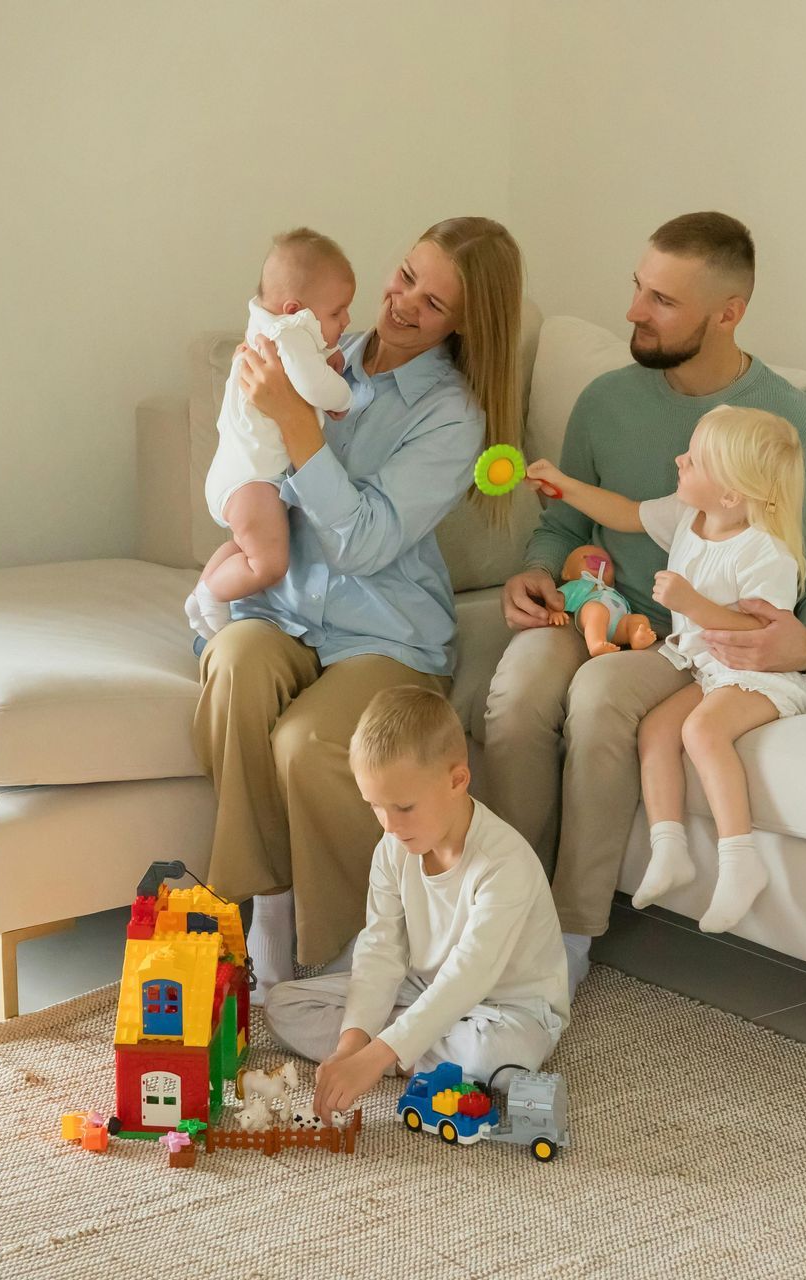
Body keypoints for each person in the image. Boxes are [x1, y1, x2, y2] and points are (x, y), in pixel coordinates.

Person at [480, 211, 806, 986]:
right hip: (594, 604)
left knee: (599, 702)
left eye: (662, 300)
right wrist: (536, 567)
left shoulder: (789, 425)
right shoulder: (604, 400)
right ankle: (500, 909)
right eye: (637, 288)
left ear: (729, 313)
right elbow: (565, 522)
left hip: (693, 637)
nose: (633, 312)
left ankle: (570, 934)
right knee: (516, 695)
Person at [193, 217, 525, 989]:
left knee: (309, 744)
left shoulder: (452, 415)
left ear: (466, 324)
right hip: (282, 609)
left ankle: (349, 953)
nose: (404, 304)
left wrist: (300, 428)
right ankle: (264, 914)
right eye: (408, 275)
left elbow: (367, 543)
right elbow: (255, 475)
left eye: (435, 303)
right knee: (234, 665)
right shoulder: (322, 351)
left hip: (384, 633)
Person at [525, 406, 806, 933]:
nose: (679, 459)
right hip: (707, 668)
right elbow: (624, 512)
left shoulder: (764, 553)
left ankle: (739, 862)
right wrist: (563, 485)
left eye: (696, 458)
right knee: (657, 728)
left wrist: (692, 601)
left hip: (758, 675)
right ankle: (669, 848)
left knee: (701, 730)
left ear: (730, 494)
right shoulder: (690, 518)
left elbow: (759, 634)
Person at [266, 686, 570, 1118]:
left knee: (496, 1062)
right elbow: (381, 950)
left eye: (404, 807)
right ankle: (405, 1045)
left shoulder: (504, 864)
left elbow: (469, 976)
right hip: (422, 986)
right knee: (283, 1007)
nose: (389, 825)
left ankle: (395, 1048)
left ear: (457, 780)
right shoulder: (393, 847)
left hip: (506, 1009)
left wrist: (373, 1059)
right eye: (375, 806)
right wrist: (349, 1047)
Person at [185, 229, 357, 638]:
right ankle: (212, 593)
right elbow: (317, 389)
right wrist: (343, 396)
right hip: (252, 482)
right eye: (337, 313)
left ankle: (201, 594)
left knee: (250, 549)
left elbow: (300, 385)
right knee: (269, 565)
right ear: (296, 309)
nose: (347, 321)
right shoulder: (288, 333)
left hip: (241, 476)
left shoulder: (268, 329)